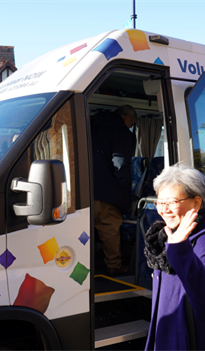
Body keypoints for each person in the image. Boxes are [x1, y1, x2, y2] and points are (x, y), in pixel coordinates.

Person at [143, 164, 205, 351]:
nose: (164, 210)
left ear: (196, 203)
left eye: (172, 202)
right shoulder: (166, 238)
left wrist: (180, 251)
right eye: (159, 202)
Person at [91, 105, 137, 276]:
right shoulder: (121, 131)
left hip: (83, 190)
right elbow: (121, 164)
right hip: (106, 191)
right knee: (109, 227)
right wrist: (124, 194)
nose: (130, 127)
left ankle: (90, 260)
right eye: (131, 124)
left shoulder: (90, 125)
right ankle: (113, 265)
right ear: (126, 118)